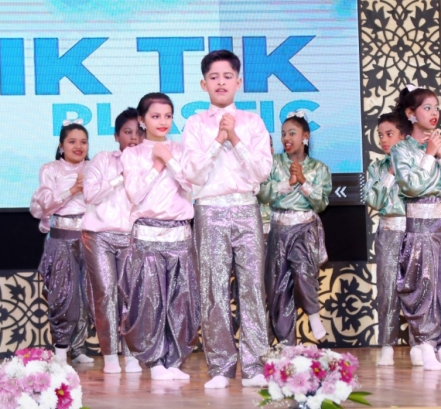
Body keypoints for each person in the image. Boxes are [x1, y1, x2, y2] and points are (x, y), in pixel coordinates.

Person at [181, 50, 271, 389]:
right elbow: (192, 173)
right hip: (210, 209)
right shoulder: (195, 124)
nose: (221, 82)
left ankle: (255, 366)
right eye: (214, 77)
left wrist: (235, 137)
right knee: (213, 288)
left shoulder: (252, 122)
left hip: (246, 208)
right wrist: (218, 140)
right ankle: (220, 366)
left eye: (227, 76)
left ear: (239, 81)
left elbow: (262, 172)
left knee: (252, 287)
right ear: (203, 83)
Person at [119, 93, 200, 381]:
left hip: (180, 235)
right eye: (155, 116)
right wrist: (157, 165)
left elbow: (192, 184)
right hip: (147, 236)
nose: (162, 121)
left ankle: (174, 361)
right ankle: (154, 363)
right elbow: (135, 194)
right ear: (142, 120)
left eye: (167, 116)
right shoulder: (132, 154)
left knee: (181, 300)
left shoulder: (181, 150)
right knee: (149, 300)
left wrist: (169, 159)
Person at [390, 84, 441, 371]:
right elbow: (411, 187)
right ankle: (425, 347)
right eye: (427, 108)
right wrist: (428, 154)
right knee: (422, 286)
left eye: (436, 107)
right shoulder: (401, 149)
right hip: (420, 229)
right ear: (411, 114)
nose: (434, 113)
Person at [258, 111, 331, 345]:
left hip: (304, 229)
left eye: (292, 133)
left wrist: (303, 182)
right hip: (278, 230)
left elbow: (321, 203)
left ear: (305, 136)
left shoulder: (319, 168)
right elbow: (262, 193)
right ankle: (286, 345)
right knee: (278, 288)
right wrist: (287, 183)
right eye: (283, 134)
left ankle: (313, 315)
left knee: (303, 272)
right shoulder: (274, 164)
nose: (286, 138)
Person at [81, 108, 143, 373]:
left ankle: (131, 354)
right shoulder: (104, 160)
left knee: (131, 295)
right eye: (127, 132)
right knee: (105, 294)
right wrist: (120, 178)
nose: (133, 138)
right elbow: (90, 195)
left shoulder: (150, 162)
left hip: (133, 236)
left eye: (138, 132)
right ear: (117, 136)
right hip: (99, 236)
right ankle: (109, 356)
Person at [30, 120, 93, 364]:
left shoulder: (95, 168)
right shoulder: (51, 169)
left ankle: (79, 347)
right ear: (61, 145)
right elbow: (44, 204)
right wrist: (72, 190)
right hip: (62, 238)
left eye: (84, 142)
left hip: (91, 237)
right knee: (64, 294)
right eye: (72, 142)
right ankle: (61, 349)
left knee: (88, 294)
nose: (79, 146)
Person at [364, 112, 423, 366]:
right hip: (388, 231)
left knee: (417, 288)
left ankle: (419, 344)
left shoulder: (418, 163)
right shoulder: (376, 168)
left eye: (389, 134)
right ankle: (387, 345)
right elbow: (374, 201)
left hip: (415, 231)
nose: (383, 140)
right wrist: (390, 173)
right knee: (387, 289)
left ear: (404, 136)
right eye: (380, 135)